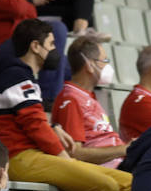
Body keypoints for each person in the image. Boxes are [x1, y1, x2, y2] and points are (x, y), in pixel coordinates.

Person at [0, 19, 131, 191]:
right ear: (36, 46)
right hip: (19, 158)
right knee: (108, 186)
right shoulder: (16, 76)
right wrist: (64, 157)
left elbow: (29, 119)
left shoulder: (24, 78)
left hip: (35, 156)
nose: (56, 51)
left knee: (132, 183)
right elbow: (34, 124)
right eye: (52, 44)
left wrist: (53, 126)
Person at [52, 36, 126, 167]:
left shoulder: (88, 95)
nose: (108, 65)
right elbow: (75, 153)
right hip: (108, 169)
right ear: (90, 65)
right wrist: (124, 149)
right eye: (105, 61)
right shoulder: (71, 99)